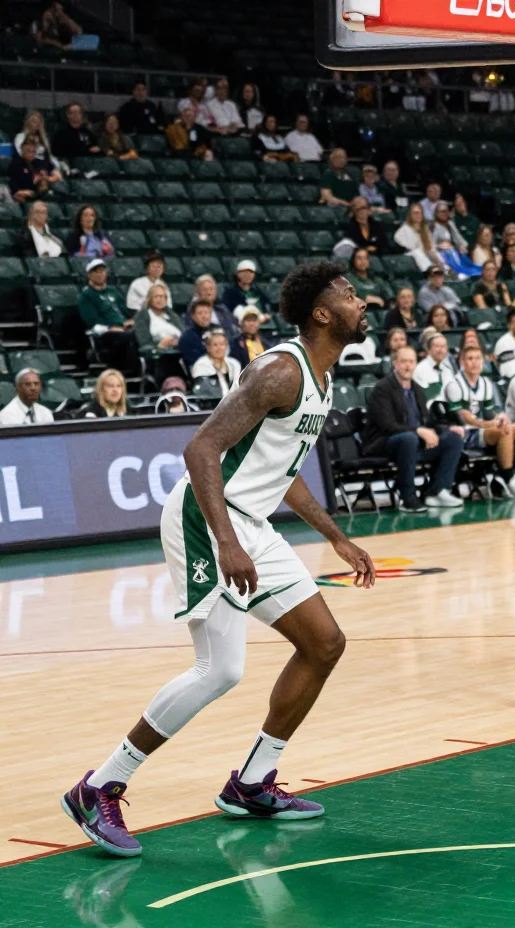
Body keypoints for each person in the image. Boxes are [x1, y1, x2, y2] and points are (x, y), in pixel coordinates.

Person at [61, 262, 377, 858]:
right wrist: (226, 540)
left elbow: (282, 475)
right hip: (207, 521)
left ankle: (253, 782)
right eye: (350, 294)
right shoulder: (280, 371)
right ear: (321, 313)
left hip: (250, 523)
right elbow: (200, 447)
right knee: (221, 671)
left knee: (324, 643)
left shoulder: (322, 378)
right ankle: (98, 786)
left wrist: (336, 536)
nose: (363, 302)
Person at [443, 344, 515, 498]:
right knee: (503, 430)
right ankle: (509, 478)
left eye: (477, 358)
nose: (474, 362)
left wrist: (501, 417)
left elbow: (490, 411)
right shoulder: (454, 385)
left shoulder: (485, 383)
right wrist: (491, 424)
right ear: (462, 362)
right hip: (464, 434)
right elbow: (465, 417)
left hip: (484, 430)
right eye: (470, 359)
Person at [79, 258, 140, 375]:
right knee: (129, 337)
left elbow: (126, 311)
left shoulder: (113, 291)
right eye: (96, 271)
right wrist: (112, 327)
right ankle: (130, 372)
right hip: (105, 332)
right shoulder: (86, 295)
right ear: (89, 275)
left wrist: (133, 320)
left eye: (102, 270)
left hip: (124, 327)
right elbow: (92, 320)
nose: (100, 274)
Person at [136, 283, 185, 360]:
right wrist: (160, 346)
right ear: (150, 299)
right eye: (156, 297)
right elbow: (144, 342)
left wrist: (178, 342)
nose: (160, 299)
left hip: (179, 349)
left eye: (163, 297)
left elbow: (183, 332)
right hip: (158, 353)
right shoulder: (142, 316)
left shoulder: (172, 315)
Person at [8, 139, 60, 204]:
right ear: (22, 149)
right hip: (31, 195)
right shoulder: (16, 164)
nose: (31, 154)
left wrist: (47, 179)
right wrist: (19, 191)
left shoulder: (41, 162)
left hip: (47, 192)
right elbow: (11, 181)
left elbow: (57, 175)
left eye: (33, 151)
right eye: (28, 151)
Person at [395, 203, 441, 272]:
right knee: (418, 252)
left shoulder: (425, 228)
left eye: (420, 213)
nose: (418, 215)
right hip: (412, 255)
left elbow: (431, 246)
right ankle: (430, 272)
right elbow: (397, 237)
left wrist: (434, 255)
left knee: (438, 254)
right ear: (410, 215)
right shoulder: (405, 228)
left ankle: (447, 273)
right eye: (415, 213)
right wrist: (410, 246)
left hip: (426, 254)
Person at [413, 329, 457, 398]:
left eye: (443, 346)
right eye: (437, 346)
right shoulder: (420, 369)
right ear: (428, 349)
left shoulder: (448, 370)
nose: (440, 350)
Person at [177, 299, 218, 370]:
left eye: (206, 312)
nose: (204, 316)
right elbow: (196, 362)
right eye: (200, 313)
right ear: (193, 316)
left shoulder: (218, 330)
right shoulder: (187, 337)